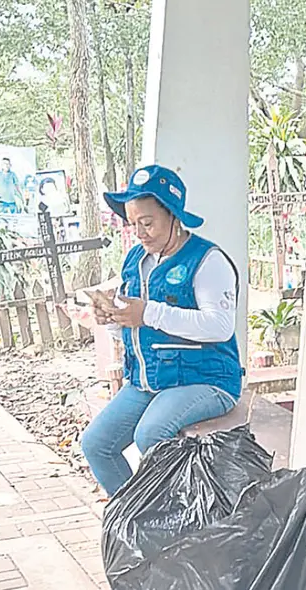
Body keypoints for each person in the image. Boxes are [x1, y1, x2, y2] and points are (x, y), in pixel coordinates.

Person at [79, 165, 243, 497]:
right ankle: (137, 523)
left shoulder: (208, 260)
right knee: (96, 444)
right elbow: (136, 326)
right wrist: (111, 318)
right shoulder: (136, 260)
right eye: (132, 223)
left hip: (207, 380)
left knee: (150, 434)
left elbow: (220, 327)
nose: (139, 232)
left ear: (174, 216)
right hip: (149, 381)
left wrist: (150, 313)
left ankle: (173, 522)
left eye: (148, 222)